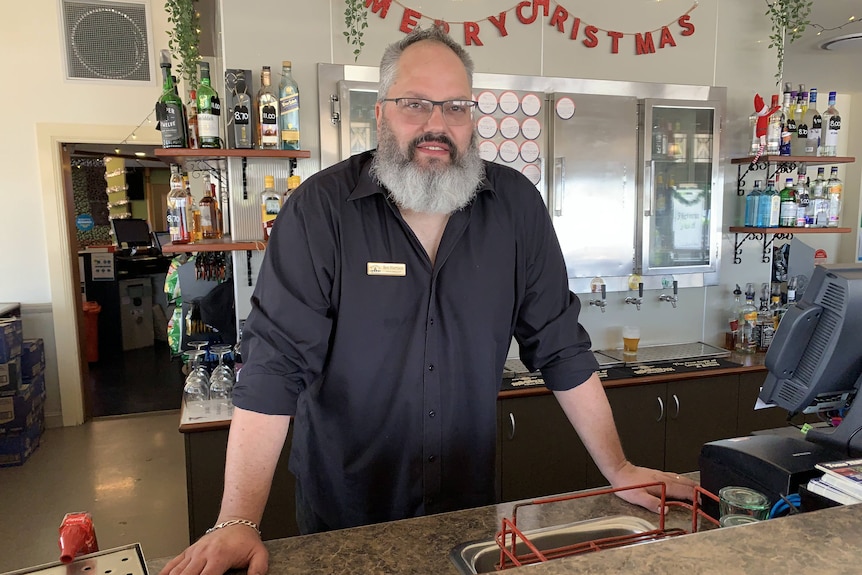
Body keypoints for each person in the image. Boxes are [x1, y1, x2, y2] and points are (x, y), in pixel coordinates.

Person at [160, 26, 696, 575]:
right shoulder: (320, 212)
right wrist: (237, 521)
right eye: (415, 104)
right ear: (381, 113)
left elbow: (561, 348)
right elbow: (273, 368)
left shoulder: (515, 209)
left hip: (469, 516)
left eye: (456, 107)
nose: (436, 125)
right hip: (346, 517)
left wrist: (619, 466)